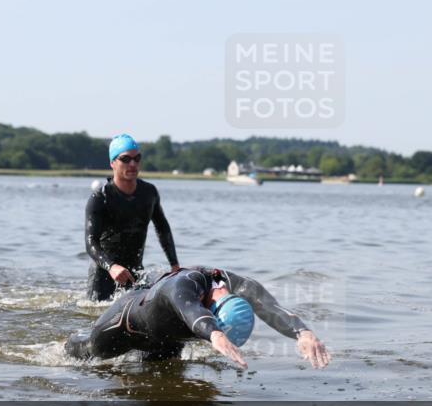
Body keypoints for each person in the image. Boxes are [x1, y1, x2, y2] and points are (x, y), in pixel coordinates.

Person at [65, 266, 331, 369]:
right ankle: (67, 342)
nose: (222, 291)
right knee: (89, 353)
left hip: (167, 339)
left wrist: (303, 332)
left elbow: (272, 309)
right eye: (220, 299)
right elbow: (193, 313)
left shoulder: (237, 287)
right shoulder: (185, 283)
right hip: (126, 323)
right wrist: (214, 333)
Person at [84, 133, 179, 301]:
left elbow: (162, 228)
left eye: (137, 158)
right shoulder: (100, 198)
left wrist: (174, 265)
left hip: (135, 275)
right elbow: (91, 241)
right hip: (104, 276)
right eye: (126, 159)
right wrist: (111, 267)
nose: (133, 164)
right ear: (113, 163)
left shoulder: (149, 193)